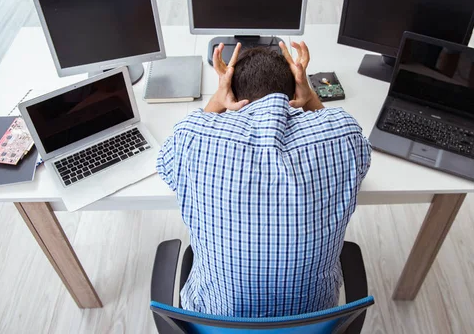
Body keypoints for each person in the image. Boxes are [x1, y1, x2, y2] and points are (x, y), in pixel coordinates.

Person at [156, 41, 372, 317]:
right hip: (312, 322)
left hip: (217, 321)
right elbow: (361, 159)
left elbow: (164, 163)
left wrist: (218, 99)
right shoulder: (344, 136)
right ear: (295, 92)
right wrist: (309, 98)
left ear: (232, 93)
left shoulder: (192, 137)